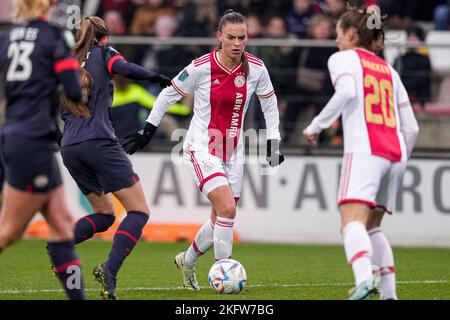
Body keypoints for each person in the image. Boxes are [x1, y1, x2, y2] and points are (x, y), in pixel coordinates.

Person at [123, 10, 285, 290]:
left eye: (242, 38)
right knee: (227, 207)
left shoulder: (256, 67)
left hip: (233, 152)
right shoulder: (201, 67)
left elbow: (269, 104)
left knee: (221, 217)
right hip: (201, 147)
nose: (237, 43)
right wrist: (147, 129)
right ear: (219, 37)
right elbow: (168, 94)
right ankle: (225, 276)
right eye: (231, 37)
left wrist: (273, 140)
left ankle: (186, 260)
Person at [303, 6, 420, 300]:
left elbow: (346, 93)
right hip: (396, 153)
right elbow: (413, 127)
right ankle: (390, 295)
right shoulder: (389, 70)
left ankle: (364, 279)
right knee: (373, 228)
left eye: (339, 33)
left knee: (351, 222)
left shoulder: (342, 58)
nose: (336, 40)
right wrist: (401, 158)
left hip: (366, 150)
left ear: (352, 33)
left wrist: (316, 125)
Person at [59, 16, 171, 300]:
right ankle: (109, 270)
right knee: (139, 211)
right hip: (99, 142)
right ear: (104, 38)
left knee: (105, 215)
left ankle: (62, 244)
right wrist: (155, 77)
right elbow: (124, 68)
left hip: (70, 147)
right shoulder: (104, 52)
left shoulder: (64, 62)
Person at [0, 0, 85, 300]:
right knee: (8, 232)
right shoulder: (53, 36)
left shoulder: (7, 36)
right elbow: (74, 90)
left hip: (20, 137)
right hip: (33, 141)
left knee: (62, 226)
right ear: (47, 5)